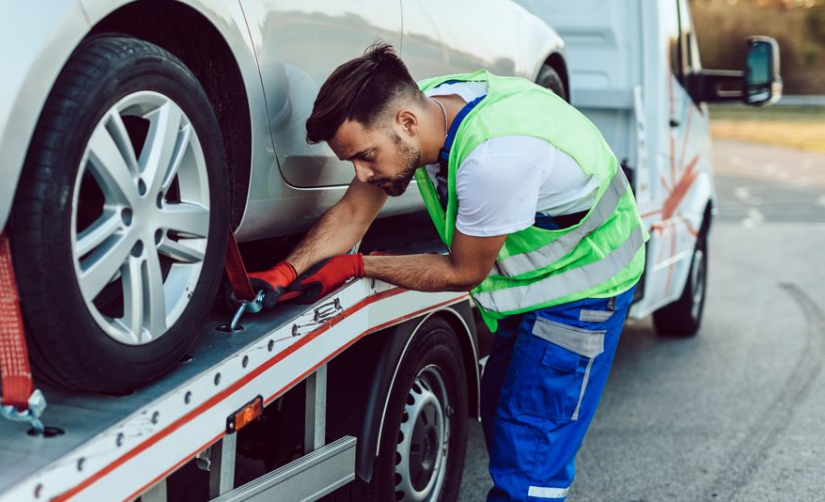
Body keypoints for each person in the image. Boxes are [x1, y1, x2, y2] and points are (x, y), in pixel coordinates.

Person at [247, 43, 647, 501]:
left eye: (365, 156)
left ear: (406, 123)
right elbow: (354, 213)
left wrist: (359, 265)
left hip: (585, 289)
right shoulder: (431, 107)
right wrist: (284, 271)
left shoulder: (493, 159)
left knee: (531, 454)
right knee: (502, 411)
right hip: (538, 285)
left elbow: (464, 271)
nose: (360, 173)